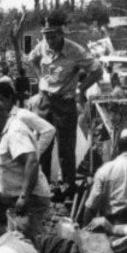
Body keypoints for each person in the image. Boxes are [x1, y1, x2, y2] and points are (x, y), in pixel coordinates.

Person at [25, 12, 103, 190]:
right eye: (46, 36)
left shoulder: (75, 51)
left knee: (66, 148)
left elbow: (97, 71)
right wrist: (40, 79)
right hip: (45, 101)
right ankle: (44, 184)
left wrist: (82, 89)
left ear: (61, 34)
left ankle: (68, 185)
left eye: (53, 36)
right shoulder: (43, 46)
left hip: (64, 102)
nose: (50, 41)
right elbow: (31, 59)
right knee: (43, 144)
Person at [0, 98, 52, 240]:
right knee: (18, 240)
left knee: (26, 242)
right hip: (19, 198)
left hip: (31, 199)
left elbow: (31, 161)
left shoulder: (15, 132)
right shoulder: (4, 133)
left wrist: (24, 197)